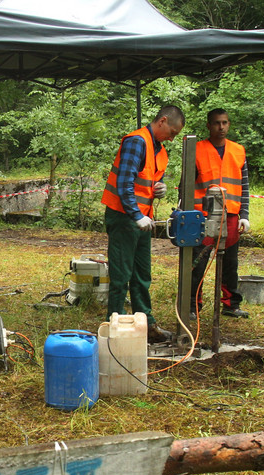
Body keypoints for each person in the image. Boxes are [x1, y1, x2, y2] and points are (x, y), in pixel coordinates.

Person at [100, 105, 185, 344]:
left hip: (140, 218)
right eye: (172, 131)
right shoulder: (137, 142)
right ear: (163, 121)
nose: (172, 137)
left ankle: (146, 323)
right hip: (124, 217)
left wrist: (159, 189)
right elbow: (124, 183)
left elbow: (145, 181)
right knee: (121, 274)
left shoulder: (159, 150)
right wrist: (136, 215)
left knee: (141, 274)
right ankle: (114, 326)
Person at [191, 108, 251, 318]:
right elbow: (186, 185)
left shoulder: (238, 150)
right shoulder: (196, 150)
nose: (221, 127)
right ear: (209, 125)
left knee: (230, 263)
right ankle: (192, 305)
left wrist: (245, 214)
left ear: (229, 124)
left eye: (225, 123)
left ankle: (230, 304)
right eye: (217, 123)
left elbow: (244, 185)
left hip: (232, 214)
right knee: (198, 261)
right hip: (203, 215)